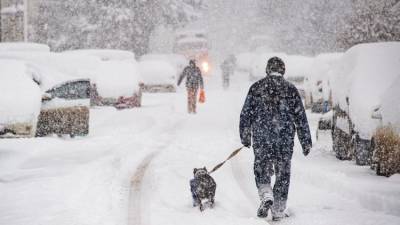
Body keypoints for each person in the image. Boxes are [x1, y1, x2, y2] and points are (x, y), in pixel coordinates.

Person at [239, 57, 312, 221]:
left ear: (267, 70)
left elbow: (246, 114)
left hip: (262, 137)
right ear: (283, 71)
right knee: (283, 173)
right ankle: (278, 208)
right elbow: (300, 118)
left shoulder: (256, 88)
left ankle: (266, 193)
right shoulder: (290, 89)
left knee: (261, 167)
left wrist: (245, 136)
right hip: (284, 139)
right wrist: (305, 141)